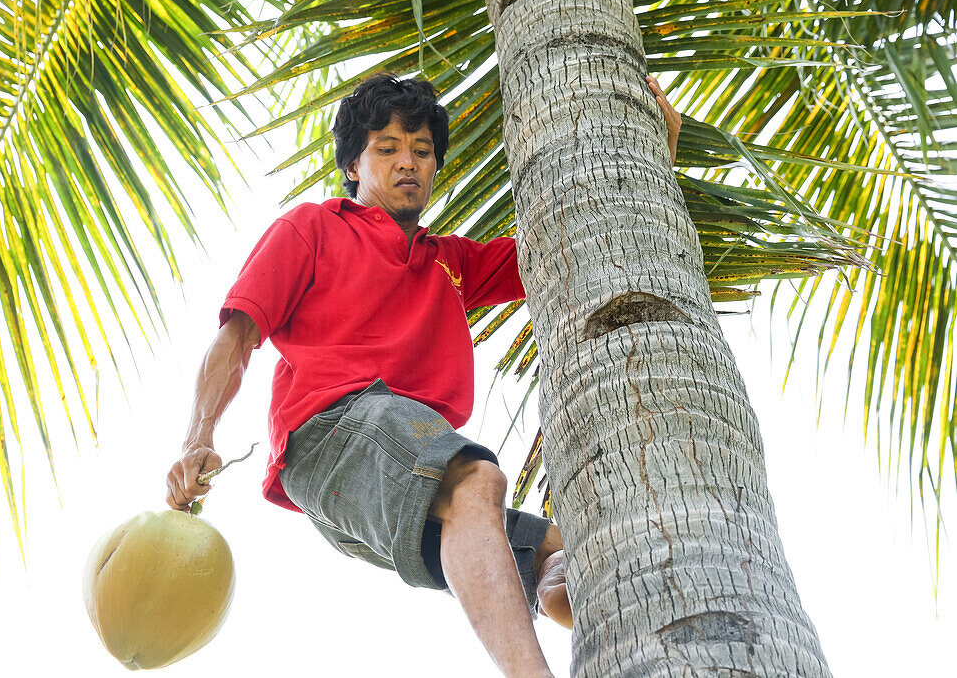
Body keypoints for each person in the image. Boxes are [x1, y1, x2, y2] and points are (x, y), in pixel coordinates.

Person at [166, 73, 682, 678]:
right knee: (474, 477)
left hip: (387, 476)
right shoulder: (312, 227)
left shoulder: (451, 261)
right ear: (355, 166)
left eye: (420, 150)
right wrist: (197, 436)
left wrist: (656, 164)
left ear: (436, 165)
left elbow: (584, 242)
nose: (406, 162)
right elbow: (237, 337)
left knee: (572, 560)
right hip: (332, 436)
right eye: (386, 149)